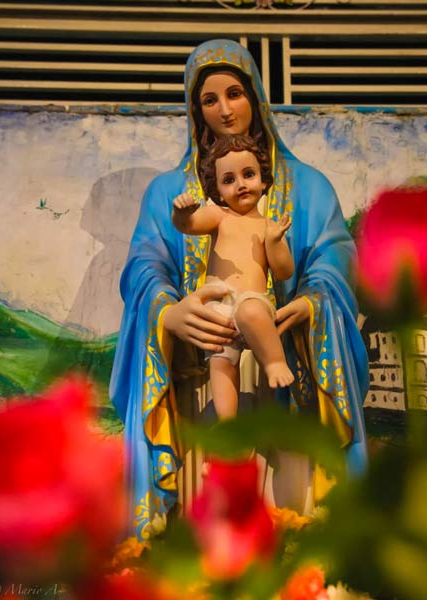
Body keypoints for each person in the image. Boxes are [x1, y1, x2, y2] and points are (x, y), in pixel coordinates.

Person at [110, 39, 369, 541]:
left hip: (287, 374)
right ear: (195, 109)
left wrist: (312, 301)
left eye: (235, 93)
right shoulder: (170, 193)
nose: (225, 110)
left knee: (290, 525)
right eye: (209, 99)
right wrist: (168, 311)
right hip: (204, 371)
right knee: (213, 526)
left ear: (256, 97)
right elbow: (145, 266)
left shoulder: (308, 187)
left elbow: (335, 259)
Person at [172, 134, 295, 419]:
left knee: (251, 312)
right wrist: (182, 213)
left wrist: (275, 242)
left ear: (263, 180)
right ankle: (227, 423)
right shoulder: (219, 216)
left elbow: (283, 271)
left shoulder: (268, 226)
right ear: (217, 190)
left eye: (248, 174)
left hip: (252, 301)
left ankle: (274, 362)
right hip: (220, 311)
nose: (240, 184)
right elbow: (189, 225)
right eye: (228, 180)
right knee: (221, 362)